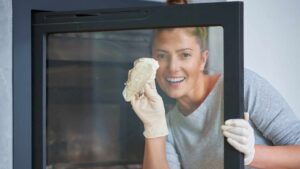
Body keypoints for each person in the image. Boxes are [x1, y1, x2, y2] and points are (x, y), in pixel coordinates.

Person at [129, 1, 300, 169]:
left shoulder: (242, 85)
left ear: (203, 59)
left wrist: (252, 154)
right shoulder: (167, 125)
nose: (173, 67)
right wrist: (153, 127)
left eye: (185, 55)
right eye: (162, 55)